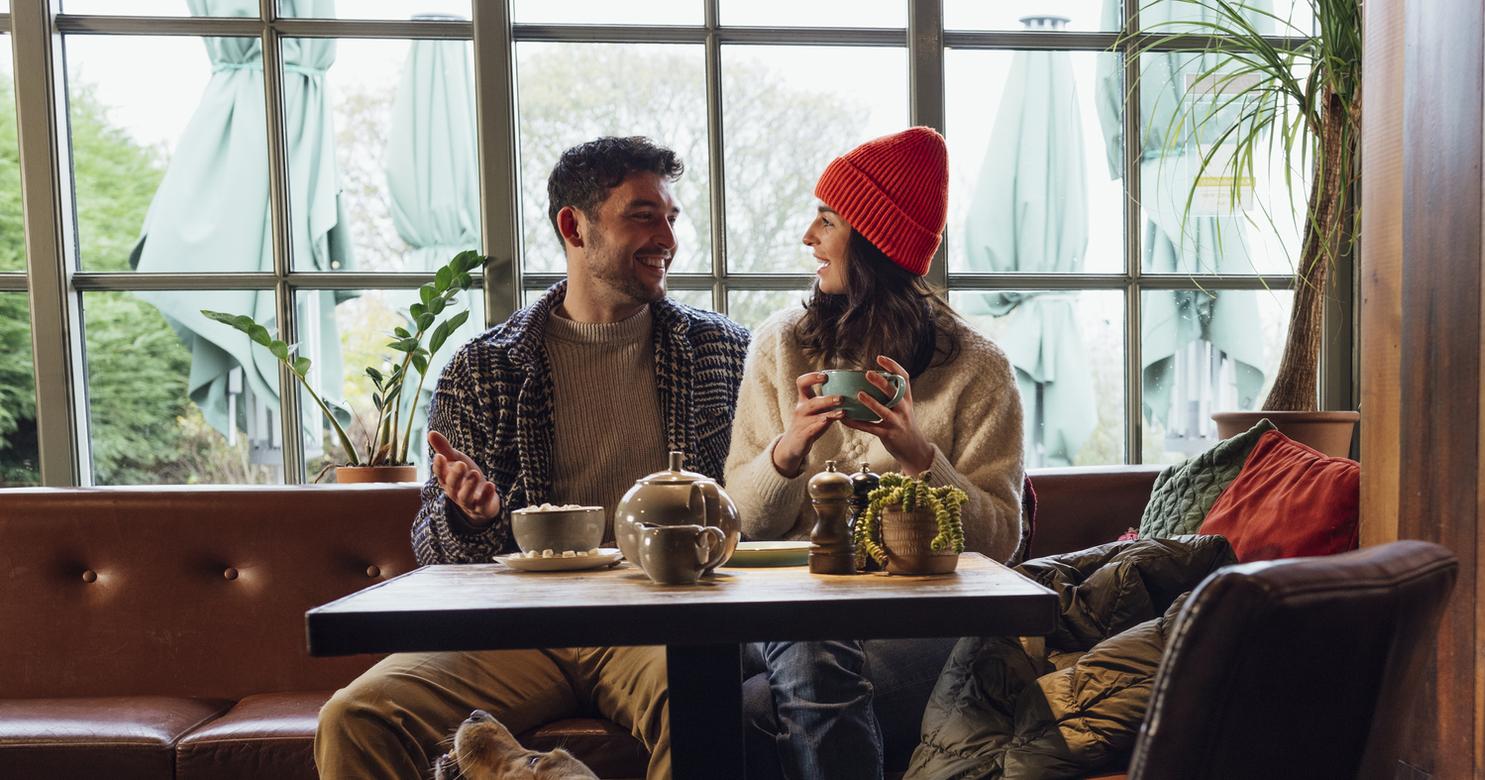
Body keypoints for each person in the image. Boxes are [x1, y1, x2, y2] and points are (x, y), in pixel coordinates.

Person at [315, 136, 749, 780]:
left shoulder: (723, 351)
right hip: (520, 627)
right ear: (573, 226)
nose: (668, 237)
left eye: (671, 218)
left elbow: (755, 497)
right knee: (356, 716)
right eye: (642, 215)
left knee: (702, 704)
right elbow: (433, 550)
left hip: (660, 615)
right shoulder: (484, 365)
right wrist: (469, 516)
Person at [723, 126, 1026, 778]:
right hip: (786, 610)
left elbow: (1001, 542)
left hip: (920, 622)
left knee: (749, 710)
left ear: (874, 243)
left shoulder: (978, 369)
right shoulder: (781, 347)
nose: (808, 235)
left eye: (827, 221)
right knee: (788, 647)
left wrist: (921, 455)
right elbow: (741, 523)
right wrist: (787, 451)